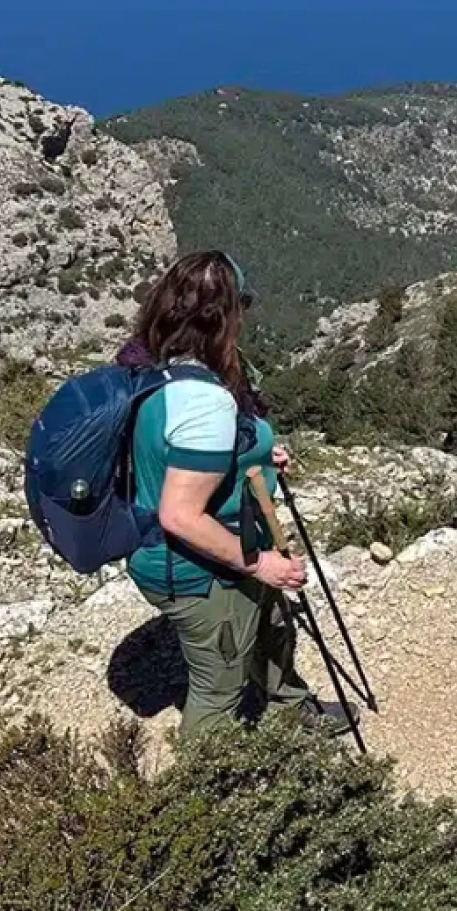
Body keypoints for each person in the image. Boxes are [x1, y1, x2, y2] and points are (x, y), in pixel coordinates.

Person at [118, 250, 343, 737]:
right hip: (198, 570)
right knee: (218, 687)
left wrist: (255, 457)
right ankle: (209, 796)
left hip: (221, 546)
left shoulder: (158, 368)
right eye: (241, 304)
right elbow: (180, 513)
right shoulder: (205, 401)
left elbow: (177, 454)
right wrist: (261, 564)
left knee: (273, 624)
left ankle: (289, 712)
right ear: (224, 316)